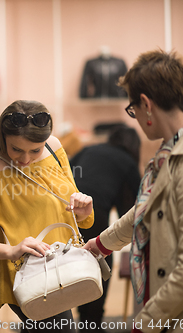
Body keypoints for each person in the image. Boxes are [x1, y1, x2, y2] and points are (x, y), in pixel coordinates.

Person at [84, 50, 183, 333]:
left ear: (146, 104)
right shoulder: (172, 148)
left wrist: (146, 322)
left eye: (132, 108)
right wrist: (100, 244)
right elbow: (144, 209)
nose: (134, 116)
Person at [0, 100, 94, 333]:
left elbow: (70, 202)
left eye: (34, 150)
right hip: (30, 278)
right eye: (16, 149)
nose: (26, 159)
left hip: (64, 269)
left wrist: (84, 210)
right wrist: (11, 250)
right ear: (3, 138)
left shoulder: (54, 148)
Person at [70, 125, 141, 333]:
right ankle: (91, 323)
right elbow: (139, 204)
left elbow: (65, 172)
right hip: (94, 211)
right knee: (100, 261)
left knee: (65, 264)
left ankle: (49, 319)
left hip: (67, 207)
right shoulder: (127, 162)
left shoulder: (89, 149)